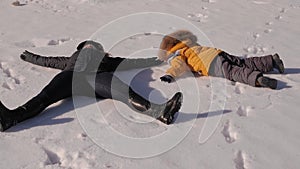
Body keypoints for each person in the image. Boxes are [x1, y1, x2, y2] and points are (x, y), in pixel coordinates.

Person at [0, 40, 183, 132]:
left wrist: (156, 60)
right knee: (46, 96)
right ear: (80, 49)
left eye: (92, 45)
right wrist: (30, 57)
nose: (89, 47)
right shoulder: (70, 60)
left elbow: (131, 62)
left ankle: (160, 112)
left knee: (123, 92)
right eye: (86, 45)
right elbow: (48, 61)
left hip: (98, 78)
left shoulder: (108, 60)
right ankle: (12, 117)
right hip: (70, 77)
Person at [158, 30, 285, 89]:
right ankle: (271, 61)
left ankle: (258, 79)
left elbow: (178, 66)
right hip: (218, 53)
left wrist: (170, 75)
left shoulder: (178, 56)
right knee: (243, 62)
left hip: (210, 64)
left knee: (233, 72)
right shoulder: (190, 45)